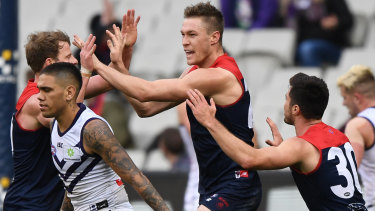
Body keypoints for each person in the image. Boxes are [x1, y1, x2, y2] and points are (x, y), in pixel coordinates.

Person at [89, 2, 262, 210]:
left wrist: (97, 65)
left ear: (214, 37)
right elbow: (145, 108)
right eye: (182, 35)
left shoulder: (219, 75)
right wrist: (120, 63)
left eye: (192, 35)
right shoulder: (194, 73)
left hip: (236, 183)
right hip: (211, 186)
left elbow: (145, 91)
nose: (184, 42)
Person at [3, 10, 139, 211]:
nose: (74, 60)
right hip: (28, 205)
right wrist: (85, 70)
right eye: (68, 56)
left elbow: (113, 79)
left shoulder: (64, 91)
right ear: (50, 64)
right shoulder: (33, 101)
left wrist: (126, 47)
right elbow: (72, 117)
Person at [186, 72, 367, 210]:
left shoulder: (300, 146)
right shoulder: (340, 137)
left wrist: (209, 121)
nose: (284, 105)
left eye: (286, 99)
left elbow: (249, 159)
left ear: (295, 109)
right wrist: (283, 150)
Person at [36, 62, 169, 210]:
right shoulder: (54, 125)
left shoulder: (93, 130)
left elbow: (136, 177)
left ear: (69, 93)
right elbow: (73, 180)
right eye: (39, 90)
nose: (40, 97)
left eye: (47, 90)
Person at [337, 65, 375, 211]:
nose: (343, 103)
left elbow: (348, 174)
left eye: (345, 97)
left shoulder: (358, 125)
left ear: (357, 98)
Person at [284, 0, 353, 67]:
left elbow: (348, 20)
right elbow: (294, 29)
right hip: (304, 43)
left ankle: (311, 78)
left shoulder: (334, 2)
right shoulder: (300, 6)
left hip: (334, 46)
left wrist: (337, 22)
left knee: (307, 49)